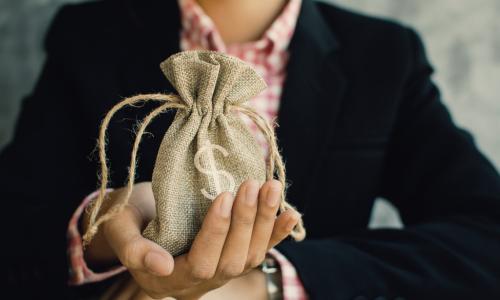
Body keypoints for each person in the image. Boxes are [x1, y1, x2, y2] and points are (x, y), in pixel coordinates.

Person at [3, 0, 500, 299]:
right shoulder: (89, 36)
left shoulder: (383, 57)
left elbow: (486, 234)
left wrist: (270, 284)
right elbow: (16, 224)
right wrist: (104, 231)